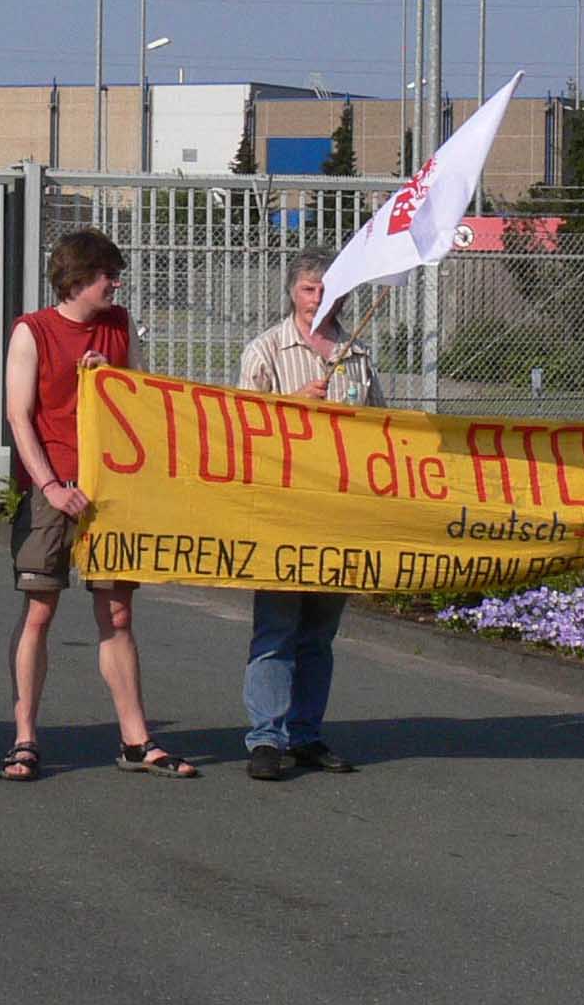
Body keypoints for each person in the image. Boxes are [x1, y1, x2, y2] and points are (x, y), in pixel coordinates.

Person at [1, 229, 195, 781]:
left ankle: (137, 739)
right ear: (79, 279)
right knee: (40, 610)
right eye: (108, 274)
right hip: (55, 487)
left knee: (117, 613)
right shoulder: (31, 331)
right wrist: (48, 487)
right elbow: (20, 417)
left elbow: (141, 396)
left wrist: (109, 380)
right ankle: (24, 737)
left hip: (109, 487)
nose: (116, 283)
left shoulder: (118, 324)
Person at [233, 251, 382, 782]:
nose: (320, 300)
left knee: (319, 633)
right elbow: (240, 428)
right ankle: (266, 738)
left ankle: (306, 733)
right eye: (310, 290)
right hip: (283, 509)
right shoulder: (266, 350)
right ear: (293, 293)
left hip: (337, 510)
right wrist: (292, 403)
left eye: (329, 290)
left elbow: (382, 428)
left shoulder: (357, 353)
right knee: (276, 627)